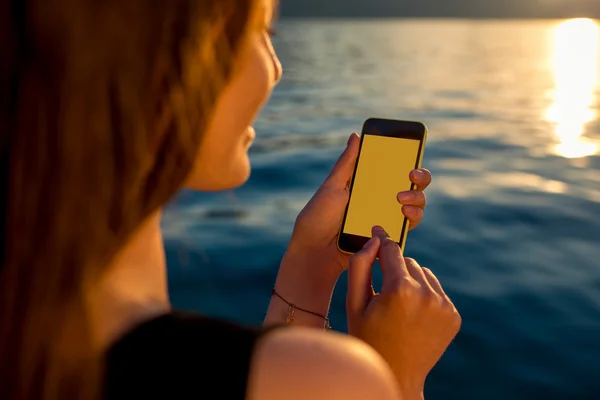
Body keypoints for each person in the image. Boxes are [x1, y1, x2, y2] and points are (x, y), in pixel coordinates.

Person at [0, 0, 461, 399]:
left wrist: (311, 263)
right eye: (261, 31)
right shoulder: (337, 381)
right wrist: (396, 377)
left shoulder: (31, 330)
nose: (276, 67)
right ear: (174, 59)